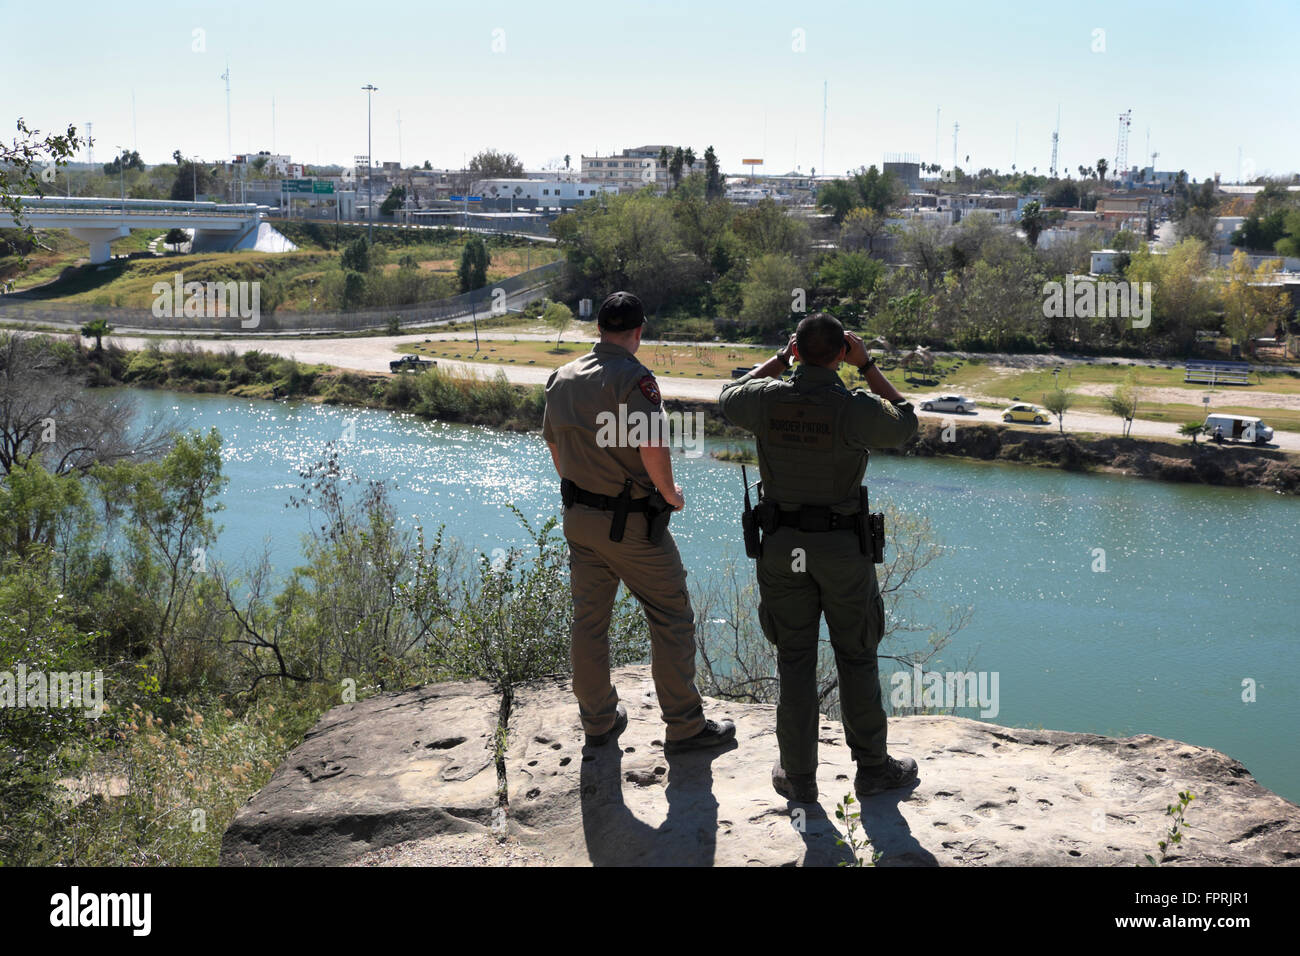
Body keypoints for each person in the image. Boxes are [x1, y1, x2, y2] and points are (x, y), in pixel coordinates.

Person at [719, 312, 918, 804]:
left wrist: (779, 359)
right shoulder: (853, 407)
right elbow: (907, 424)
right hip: (842, 551)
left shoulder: (766, 399)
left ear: (797, 350)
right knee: (857, 654)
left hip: (784, 547)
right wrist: (868, 365)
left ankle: (800, 778)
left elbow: (727, 397)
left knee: (794, 659)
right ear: (840, 355)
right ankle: (872, 769)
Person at [543, 291, 736, 754]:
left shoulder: (562, 377)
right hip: (630, 526)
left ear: (598, 329)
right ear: (639, 330)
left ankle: (598, 720)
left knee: (589, 622)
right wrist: (671, 496)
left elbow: (554, 448)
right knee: (671, 617)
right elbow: (653, 444)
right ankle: (685, 726)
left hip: (579, 518)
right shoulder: (634, 379)